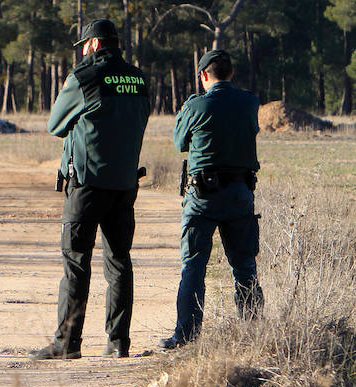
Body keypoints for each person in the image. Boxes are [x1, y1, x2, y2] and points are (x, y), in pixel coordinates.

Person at [32, 19, 151, 360]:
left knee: (76, 261)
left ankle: (67, 344)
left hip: (86, 184)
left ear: (95, 44)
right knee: (118, 262)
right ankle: (118, 343)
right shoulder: (139, 80)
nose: (82, 52)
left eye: (84, 46)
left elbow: (56, 124)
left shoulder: (83, 78)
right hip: (125, 184)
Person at [161, 49, 264, 349]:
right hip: (240, 195)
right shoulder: (249, 102)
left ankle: (187, 336)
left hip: (202, 198)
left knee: (193, 265)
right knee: (245, 266)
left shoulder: (196, 105)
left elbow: (180, 142)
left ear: (204, 75)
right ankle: (252, 334)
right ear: (231, 73)